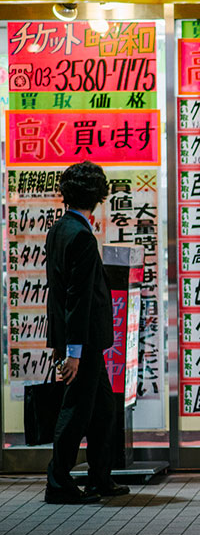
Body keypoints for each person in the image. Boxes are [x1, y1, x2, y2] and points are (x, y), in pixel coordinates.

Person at [45, 161, 129, 504]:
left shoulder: (59, 229)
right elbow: (78, 297)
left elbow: (61, 291)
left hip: (78, 338)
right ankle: (59, 483)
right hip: (84, 342)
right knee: (77, 409)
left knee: (103, 409)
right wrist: (74, 353)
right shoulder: (80, 235)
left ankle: (99, 477)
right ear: (99, 196)